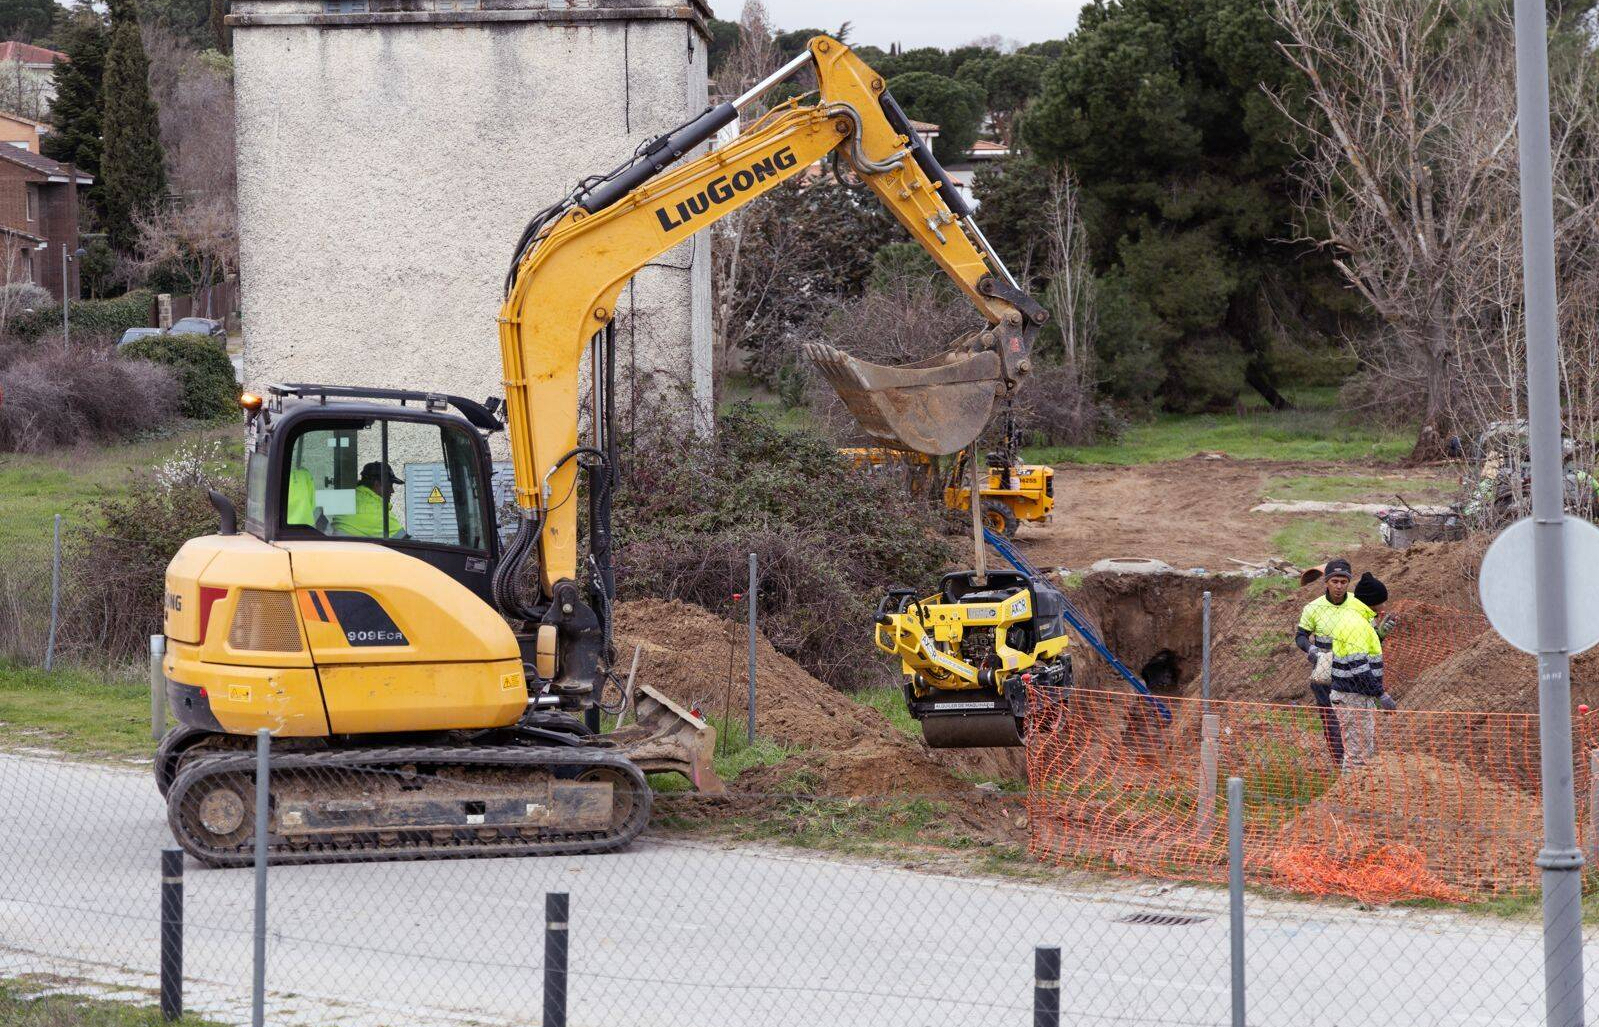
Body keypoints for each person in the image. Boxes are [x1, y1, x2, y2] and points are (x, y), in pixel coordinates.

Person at [1294, 558, 1364, 766]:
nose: (1339, 586)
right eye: (1335, 581)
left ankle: (1355, 761)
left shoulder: (1359, 606)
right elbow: (1301, 636)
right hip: (1324, 668)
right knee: (1331, 717)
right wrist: (1311, 649)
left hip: (1352, 668)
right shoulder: (1313, 608)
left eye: (1344, 581)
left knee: (1354, 717)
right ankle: (1339, 760)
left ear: (1349, 582)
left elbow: (1371, 636)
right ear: (1326, 582)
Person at [1328, 572, 1392, 770]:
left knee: (1362, 752)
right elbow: (1359, 667)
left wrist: (1379, 635)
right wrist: (1381, 694)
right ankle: (1351, 798)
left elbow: (1360, 654)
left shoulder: (1359, 619)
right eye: (1382, 601)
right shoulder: (1355, 623)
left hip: (1355, 695)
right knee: (1358, 757)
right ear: (1372, 601)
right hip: (1352, 696)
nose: (1384, 606)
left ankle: (1358, 796)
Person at [330, 461, 405, 538]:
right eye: (389, 486)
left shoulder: (350, 500)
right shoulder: (378, 513)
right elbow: (406, 543)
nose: (392, 491)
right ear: (377, 485)